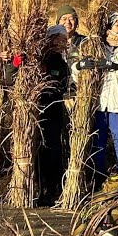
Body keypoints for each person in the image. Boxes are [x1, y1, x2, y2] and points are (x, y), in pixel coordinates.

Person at [80, 12, 118, 185]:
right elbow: (77, 73)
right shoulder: (95, 47)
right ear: (109, 27)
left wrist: (115, 66)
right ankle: (97, 182)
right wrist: (82, 66)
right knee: (97, 147)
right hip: (98, 106)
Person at [35, 24, 72, 206]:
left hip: (54, 110)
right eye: (58, 39)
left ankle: (53, 189)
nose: (61, 43)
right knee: (38, 150)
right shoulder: (38, 59)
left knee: (53, 149)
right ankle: (38, 189)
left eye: (64, 40)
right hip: (36, 109)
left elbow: (62, 86)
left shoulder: (62, 64)